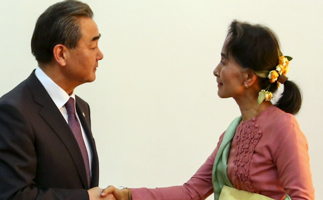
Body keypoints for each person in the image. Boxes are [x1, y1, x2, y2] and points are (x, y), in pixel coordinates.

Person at [101, 20, 315, 200]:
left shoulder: (283, 127)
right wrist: (128, 195)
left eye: (224, 62)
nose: (216, 70)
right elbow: (192, 191)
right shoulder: (232, 133)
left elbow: (302, 197)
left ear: (249, 77)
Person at [0, 1, 114, 200]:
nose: (100, 55)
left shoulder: (80, 108)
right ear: (61, 54)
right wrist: (85, 198)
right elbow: (13, 196)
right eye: (93, 46)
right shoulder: (12, 113)